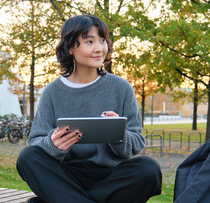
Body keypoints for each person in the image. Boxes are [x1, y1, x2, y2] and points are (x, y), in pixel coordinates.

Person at [16, 15, 162, 203]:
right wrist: (52, 144)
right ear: (70, 48)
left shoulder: (121, 87)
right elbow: (35, 142)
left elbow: (135, 144)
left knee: (148, 168)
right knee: (27, 157)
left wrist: (118, 134)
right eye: (89, 41)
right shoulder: (52, 91)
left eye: (103, 41)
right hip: (67, 176)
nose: (99, 48)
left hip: (111, 176)